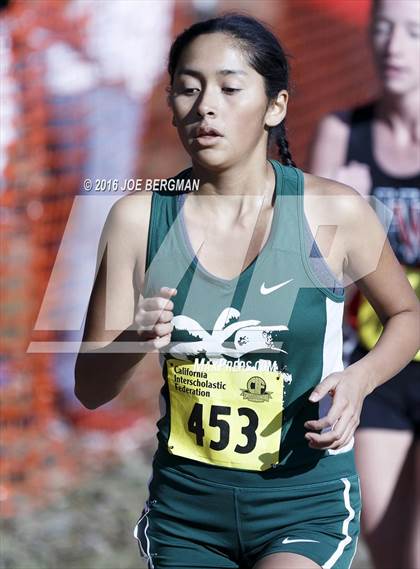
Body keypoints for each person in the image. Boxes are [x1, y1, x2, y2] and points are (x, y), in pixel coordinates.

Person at [74, 13, 419, 569]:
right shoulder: (137, 220)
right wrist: (135, 337)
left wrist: (360, 380)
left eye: (230, 88)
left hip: (304, 502)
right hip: (186, 513)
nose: (205, 105)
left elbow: (407, 315)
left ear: (275, 107)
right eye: (188, 88)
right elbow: (89, 388)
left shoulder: (332, 211)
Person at [308, 1, 420, 567]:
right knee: (390, 550)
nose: (393, 46)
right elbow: (309, 285)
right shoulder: (341, 136)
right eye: (381, 29)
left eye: (413, 32)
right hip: (376, 372)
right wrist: (337, 228)